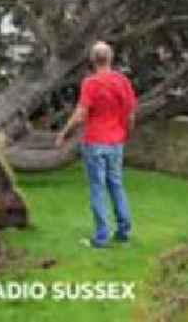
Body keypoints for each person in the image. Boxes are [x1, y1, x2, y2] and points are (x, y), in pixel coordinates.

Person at [55, 41, 138, 248]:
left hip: (94, 142)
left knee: (98, 188)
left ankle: (101, 237)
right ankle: (123, 231)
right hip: (115, 141)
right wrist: (126, 133)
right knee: (116, 185)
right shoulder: (122, 81)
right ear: (110, 58)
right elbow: (130, 114)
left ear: (92, 60)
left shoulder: (90, 83)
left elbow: (81, 114)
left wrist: (64, 132)